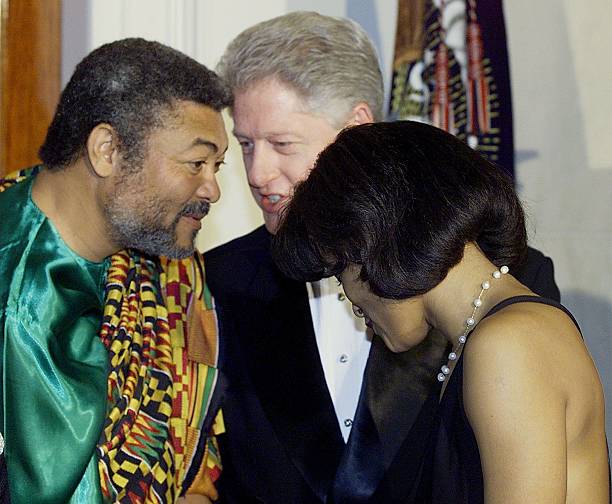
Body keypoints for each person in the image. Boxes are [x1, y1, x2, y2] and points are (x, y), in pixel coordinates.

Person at [205, 11, 562, 503]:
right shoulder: (216, 279)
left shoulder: (506, 277)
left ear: (357, 127)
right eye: (245, 145)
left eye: (282, 143)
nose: (258, 172)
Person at [271, 120, 610, 503]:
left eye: (339, 272)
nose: (347, 296)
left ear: (378, 239)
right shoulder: (495, 334)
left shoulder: (508, 342)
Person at [0, 38, 231, 503]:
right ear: (107, 150)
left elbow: (194, 456)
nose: (213, 189)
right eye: (196, 163)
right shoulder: (14, 291)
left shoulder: (167, 268)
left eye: (218, 166)